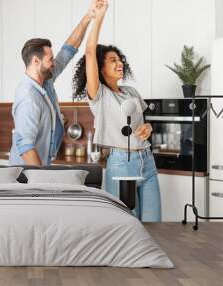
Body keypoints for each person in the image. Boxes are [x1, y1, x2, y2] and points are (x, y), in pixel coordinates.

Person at [72, 0, 161, 221]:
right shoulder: (99, 94)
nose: (119, 62)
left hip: (147, 161)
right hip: (122, 164)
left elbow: (145, 124)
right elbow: (90, 52)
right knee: (125, 226)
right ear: (100, 69)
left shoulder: (131, 91)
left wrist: (148, 128)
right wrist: (99, 16)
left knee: (155, 225)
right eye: (112, 60)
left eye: (120, 59)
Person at [9, 4, 96, 166]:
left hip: (41, 165)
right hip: (26, 175)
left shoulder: (46, 79)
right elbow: (26, 148)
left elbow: (68, 50)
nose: (54, 63)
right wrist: (42, 179)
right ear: (36, 61)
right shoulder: (28, 97)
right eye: (50, 59)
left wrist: (88, 17)